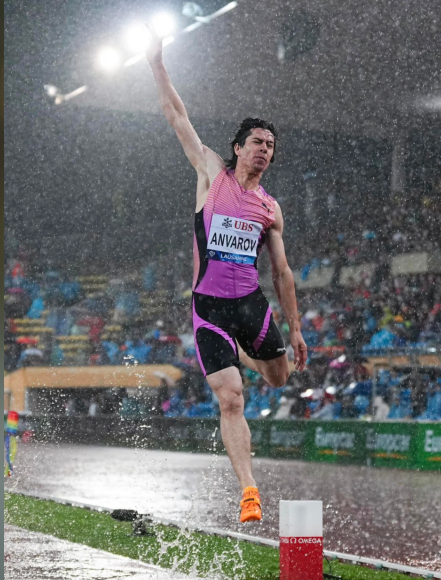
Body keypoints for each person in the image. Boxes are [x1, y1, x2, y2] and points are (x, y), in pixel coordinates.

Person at [146, 26, 308, 523]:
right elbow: (177, 115)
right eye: (257, 141)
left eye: (271, 145)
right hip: (211, 309)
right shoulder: (211, 174)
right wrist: (156, 63)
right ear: (237, 148)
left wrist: (295, 328)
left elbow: (282, 272)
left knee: (280, 378)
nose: (265, 149)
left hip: (252, 306)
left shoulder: (270, 209)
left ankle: (243, 353)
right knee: (232, 399)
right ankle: (249, 490)